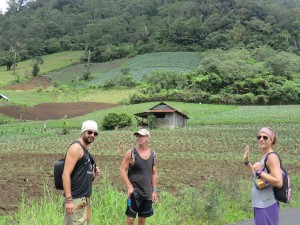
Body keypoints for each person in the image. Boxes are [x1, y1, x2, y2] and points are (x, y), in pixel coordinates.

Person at [62, 120, 100, 225]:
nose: (92, 135)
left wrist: (93, 174)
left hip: (84, 199)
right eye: (89, 132)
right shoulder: (76, 148)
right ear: (83, 132)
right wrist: (69, 200)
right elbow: (65, 174)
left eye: (95, 133)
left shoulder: (84, 150)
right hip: (75, 199)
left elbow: (81, 175)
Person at [243, 127, 283, 225]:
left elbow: (279, 182)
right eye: (259, 137)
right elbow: (256, 176)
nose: (261, 139)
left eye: (265, 137)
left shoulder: (272, 157)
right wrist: (247, 162)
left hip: (267, 205)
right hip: (261, 205)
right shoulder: (265, 156)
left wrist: (260, 171)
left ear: (271, 140)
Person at [120, 128, 158, 225]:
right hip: (134, 192)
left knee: (142, 220)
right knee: (130, 220)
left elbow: (154, 173)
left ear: (148, 138)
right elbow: (122, 170)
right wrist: (129, 187)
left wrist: (154, 190)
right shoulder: (131, 153)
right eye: (138, 136)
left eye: (142, 136)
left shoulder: (153, 155)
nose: (139, 138)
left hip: (147, 193)